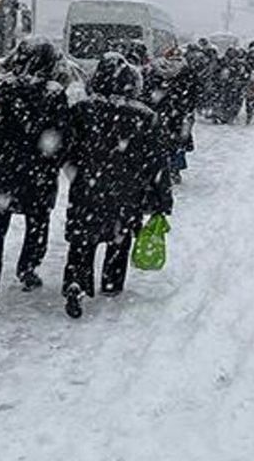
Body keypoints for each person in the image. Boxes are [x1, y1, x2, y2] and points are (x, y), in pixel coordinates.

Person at [0, 38, 71, 317]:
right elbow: (61, 136)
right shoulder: (54, 93)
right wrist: (54, 161)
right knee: (37, 222)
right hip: (37, 171)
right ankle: (28, 267)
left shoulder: (1, 88)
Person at [62, 53, 173, 319]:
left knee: (82, 239)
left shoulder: (82, 110)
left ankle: (76, 281)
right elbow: (157, 162)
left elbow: (66, 147)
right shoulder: (145, 116)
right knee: (118, 238)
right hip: (127, 190)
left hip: (87, 187)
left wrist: (77, 169)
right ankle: (111, 283)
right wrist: (162, 198)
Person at [145, 46, 199, 184]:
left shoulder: (157, 70)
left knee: (161, 140)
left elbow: (149, 92)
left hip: (162, 112)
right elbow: (195, 92)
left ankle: (164, 167)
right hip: (181, 113)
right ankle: (175, 168)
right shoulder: (187, 71)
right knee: (179, 141)